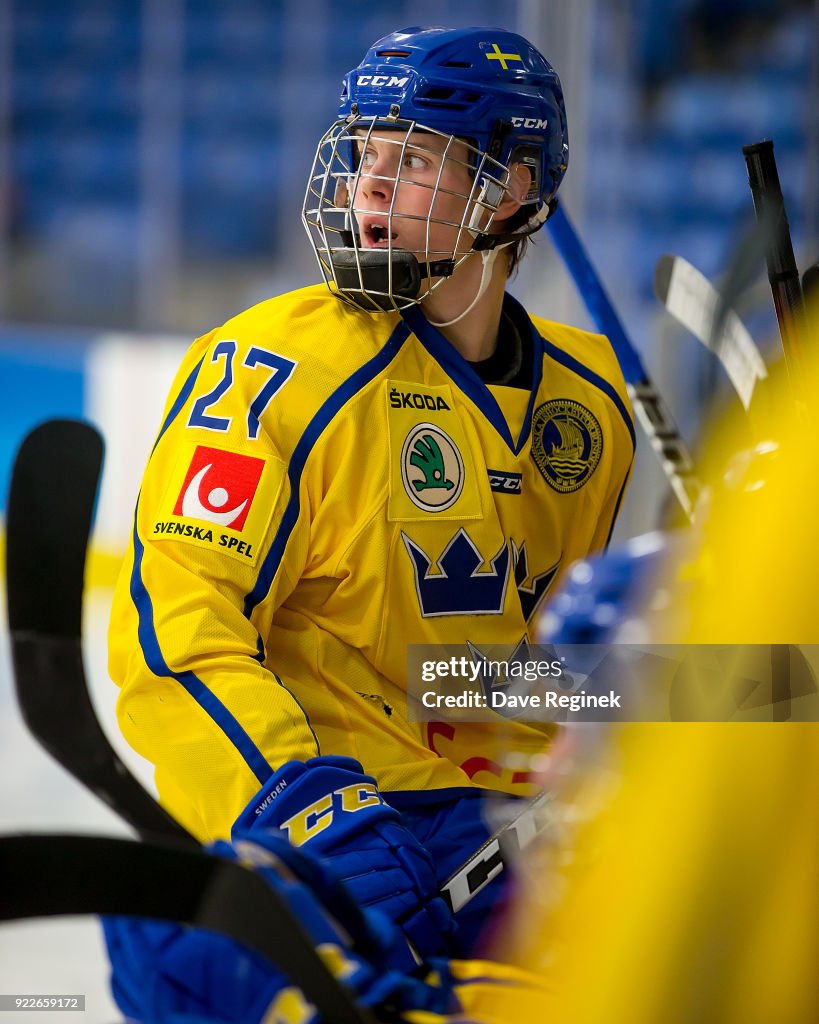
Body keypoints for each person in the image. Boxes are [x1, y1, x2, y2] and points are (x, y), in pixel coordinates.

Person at [104, 24, 635, 1016]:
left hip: (508, 827)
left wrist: (750, 677)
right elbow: (177, 628)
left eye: (415, 159)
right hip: (337, 812)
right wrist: (298, 799)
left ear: (511, 190)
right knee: (175, 931)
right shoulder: (271, 365)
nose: (369, 186)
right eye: (363, 154)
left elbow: (533, 668)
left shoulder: (592, 403)